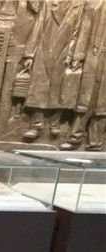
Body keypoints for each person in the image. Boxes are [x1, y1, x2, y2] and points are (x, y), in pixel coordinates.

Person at [20, 0, 83, 141]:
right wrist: (29, 54)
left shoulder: (79, 5)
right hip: (44, 48)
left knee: (61, 88)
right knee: (39, 86)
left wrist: (72, 54)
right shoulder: (49, 3)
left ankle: (55, 123)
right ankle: (36, 125)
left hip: (65, 53)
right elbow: (38, 27)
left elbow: (78, 32)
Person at [60, 1, 106, 151]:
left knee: (103, 103)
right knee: (85, 98)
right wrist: (77, 55)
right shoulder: (94, 3)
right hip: (94, 57)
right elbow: (84, 30)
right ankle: (75, 138)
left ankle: (95, 142)